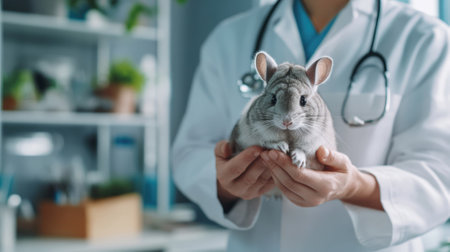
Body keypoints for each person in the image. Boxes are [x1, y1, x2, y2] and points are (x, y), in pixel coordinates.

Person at [172, 0, 450, 251]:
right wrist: (226, 183)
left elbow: (440, 173)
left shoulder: (426, 38)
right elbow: (190, 152)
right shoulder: (229, 37)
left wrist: (354, 187)